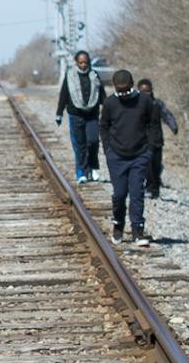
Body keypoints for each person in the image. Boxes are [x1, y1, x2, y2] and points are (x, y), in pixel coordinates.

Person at [97, 71, 160, 247]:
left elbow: (153, 125)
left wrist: (150, 149)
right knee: (119, 194)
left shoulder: (145, 101)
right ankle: (118, 224)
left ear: (133, 85)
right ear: (115, 87)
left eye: (126, 91)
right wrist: (108, 149)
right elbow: (104, 127)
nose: (124, 95)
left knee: (137, 193)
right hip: (116, 155)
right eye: (120, 91)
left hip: (140, 154)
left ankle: (137, 230)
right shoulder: (110, 103)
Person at [54, 50, 105, 182]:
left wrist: (110, 111)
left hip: (92, 114)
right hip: (75, 114)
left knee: (92, 141)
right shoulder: (70, 76)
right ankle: (82, 172)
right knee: (80, 144)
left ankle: (93, 168)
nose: (83, 65)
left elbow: (102, 95)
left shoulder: (94, 75)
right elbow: (64, 95)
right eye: (81, 62)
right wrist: (59, 113)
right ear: (76, 62)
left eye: (85, 62)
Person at [136, 78, 178, 199]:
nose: (146, 94)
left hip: (156, 140)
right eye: (143, 92)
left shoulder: (157, 103)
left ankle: (155, 190)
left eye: (148, 91)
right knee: (146, 165)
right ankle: (148, 188)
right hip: (141, 140)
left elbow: (167, 115)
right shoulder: (134, 104)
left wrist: (173, 126)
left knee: (156, 166)